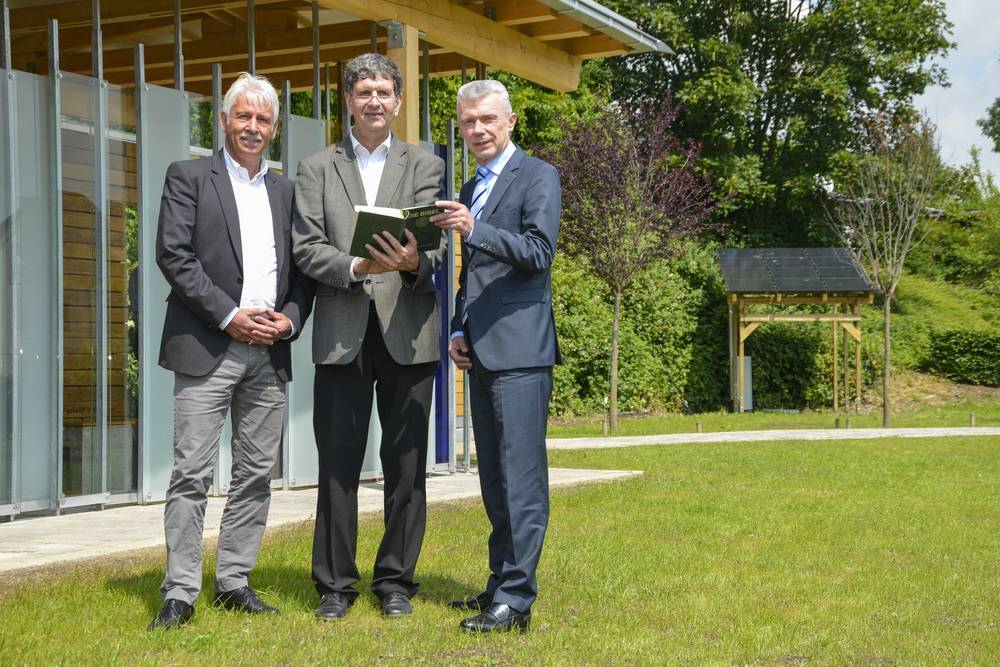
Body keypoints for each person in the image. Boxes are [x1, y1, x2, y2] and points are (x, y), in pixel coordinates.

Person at [148, 72, 313, 631]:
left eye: (263, 119)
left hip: (268, 352)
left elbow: (303, 272)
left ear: (274, 128)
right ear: (223, 120)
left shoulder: (287, 192)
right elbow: (173, 255)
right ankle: (180, 591)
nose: (253, 127)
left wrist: (287, 321)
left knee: (254, 474)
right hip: (208, 345)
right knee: (191, 473)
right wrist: (229, 314)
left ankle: (234, 581)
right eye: (243, 116)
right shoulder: (190, 176)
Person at [291, 53, 446, 621]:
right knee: (337, 461)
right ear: (348, 101)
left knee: (406, 462)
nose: (374, 101)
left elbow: (437, 243)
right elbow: (306, 246)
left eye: (384, 92)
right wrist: (357, 267)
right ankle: (334, 585)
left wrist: (411, 261)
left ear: (398, 102)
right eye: (364, 92)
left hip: (408, 329)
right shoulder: (315, 167)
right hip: (342, 329)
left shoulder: (425, 161)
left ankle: (397, 582)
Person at [431, 79, 561, 633]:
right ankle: (498, 586)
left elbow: (539, 251)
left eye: (487, 119)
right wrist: (460, 327)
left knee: (521, 478)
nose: (478, 130)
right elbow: (476, 274)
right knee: (494, 480)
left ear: (510, 122)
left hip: (522, 351)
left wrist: (474, 227)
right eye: (468, 122)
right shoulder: (472, 184)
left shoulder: (537, 175)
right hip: (480, 351)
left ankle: (516, 601)